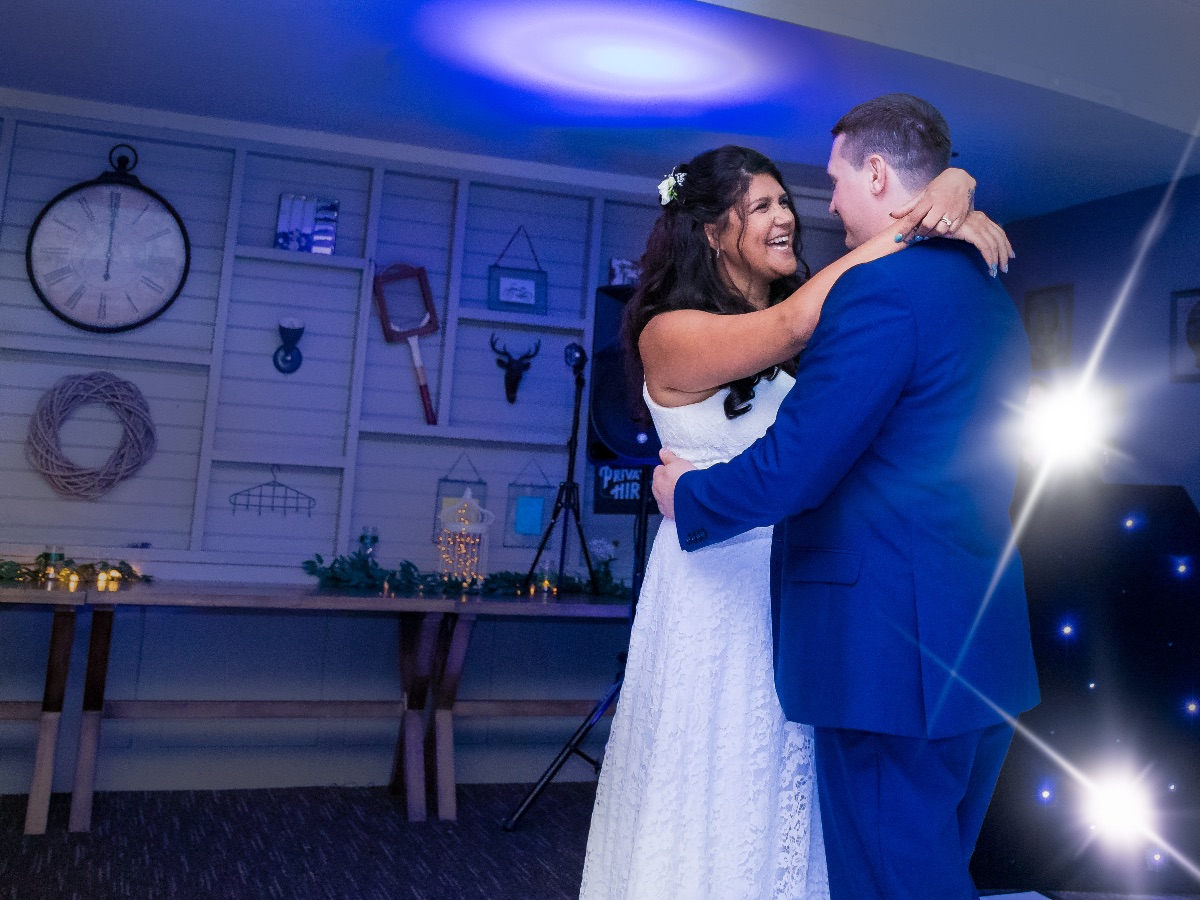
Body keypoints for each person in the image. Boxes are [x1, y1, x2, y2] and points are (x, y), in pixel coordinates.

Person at [579, 141, 1012, 900]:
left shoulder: (821, 308)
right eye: (762, 206)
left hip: (805, 587)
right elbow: (789, 326)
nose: (787, 217)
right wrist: (929, 213)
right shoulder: (667, 331)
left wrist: (954, 191)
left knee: (806, 802)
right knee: (714, 785)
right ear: (712, 232)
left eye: (786, 201)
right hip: (716, 592)